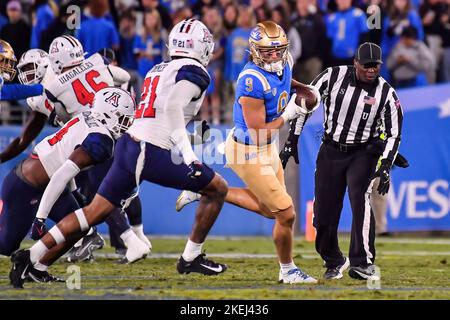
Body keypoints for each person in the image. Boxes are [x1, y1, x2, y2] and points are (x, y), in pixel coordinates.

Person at [9, 19, 229, 289]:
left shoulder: (159, 68)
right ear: (201, 46)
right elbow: (171, 109)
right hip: (147, 149)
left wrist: (189, 138)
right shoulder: (195, 71)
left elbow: (158, 114)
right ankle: (190, 256)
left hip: (129, 144)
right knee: (218, 187)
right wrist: (189, 156)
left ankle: (31, 257)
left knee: (93, 213)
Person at [177, 21, 319, 284]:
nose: (275, 56)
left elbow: (286, 80)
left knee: (269, 210)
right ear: (255, 50)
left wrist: (305, 91)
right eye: (268, 52)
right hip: (248, 149)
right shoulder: (251, 80)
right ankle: (287, 270)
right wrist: (289, 114)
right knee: (286, 214)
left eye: (278, 51)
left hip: (266, 148)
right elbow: (258, 132)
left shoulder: (284, 61)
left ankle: (206, 190)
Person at [279, 42, 404, 281]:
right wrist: (292, 139)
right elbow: (305, 103)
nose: (371, 70)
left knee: (361, 199)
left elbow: (394, 132)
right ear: (355, 62)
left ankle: (363, 262)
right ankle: (334, 259)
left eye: (375, 66)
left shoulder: (386, 93)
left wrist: (386, 164)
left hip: (363, 152)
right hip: (331, 150)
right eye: (366, 65)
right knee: (322, 214)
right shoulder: (332, 76)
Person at [1, 87, 135, 284]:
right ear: (108, 115)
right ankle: (30, 262)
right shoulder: (101, 141)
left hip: (47, 182)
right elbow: (61, 174)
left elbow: (64, 158)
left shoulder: (88, 118)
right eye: (122, 118)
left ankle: (38, 269)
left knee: (80, 225)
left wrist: (73, 192)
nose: (126, 124)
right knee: (6, 246)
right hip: (26, 186)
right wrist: (40, 219)